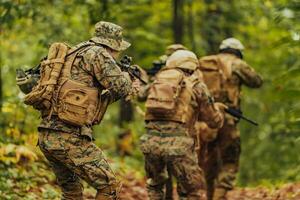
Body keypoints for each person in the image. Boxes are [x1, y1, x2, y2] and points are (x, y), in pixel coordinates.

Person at [31, 21, 139, 200]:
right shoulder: (98, 53)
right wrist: (128, 79)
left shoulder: (74, 52)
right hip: (69, 138)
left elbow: (93, 99)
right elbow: (121, 87)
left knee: (72, 193)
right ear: (112, 45)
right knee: (109, 186)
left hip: (47, 136)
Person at [139, 50, 225, 199]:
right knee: (192, 191)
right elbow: (214, 121)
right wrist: (219, 110)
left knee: (155, 186)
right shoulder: (197, 85)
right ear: (192, 66)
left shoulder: (157, 81)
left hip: (150, 142)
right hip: (179, 145)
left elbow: (140, 94)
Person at [197, 38, 263, 200]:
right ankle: (219, 196)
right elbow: (256, 81)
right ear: (238, 51)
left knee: (208, 162)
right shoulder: (237, 63)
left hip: (205, 119)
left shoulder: (203, 63)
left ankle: (209, 195)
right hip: (227, 118)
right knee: (230, 160)